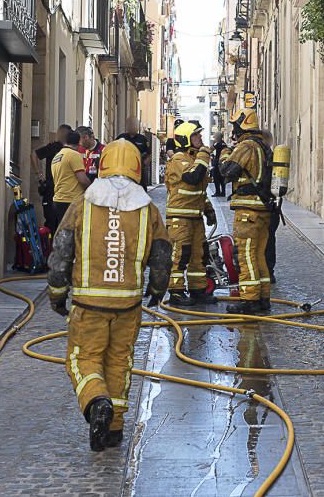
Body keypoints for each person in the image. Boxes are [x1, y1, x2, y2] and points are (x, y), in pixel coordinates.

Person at [47, 140, 172, 452]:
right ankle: (113, 428)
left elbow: (61, 254)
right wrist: (156, 292)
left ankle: (96, 402)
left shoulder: (82, 204)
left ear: (101, 165)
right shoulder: (148, 209)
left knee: (83, 358)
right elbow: (161, 257)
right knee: (119, 361)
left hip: (89, 304)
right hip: (128, 303)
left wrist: (57, 295)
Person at [219, 108, 275, 315]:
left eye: (235, 126)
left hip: (247, 211)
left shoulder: (247, 146)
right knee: (259, 255)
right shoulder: (263, 146)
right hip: (262, 210)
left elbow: (227, 171)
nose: (233, 131)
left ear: (241, 125)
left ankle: (250, 299)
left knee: (246, 255)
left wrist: (224, 153)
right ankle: (263, 297)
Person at [163, 121, 218, 306]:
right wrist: (204, 154)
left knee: (199, 255)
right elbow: (193, 178)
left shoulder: (193, 159)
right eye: (196, 136)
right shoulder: (179, 160)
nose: (200, 139)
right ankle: (176, 292)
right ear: (186, 139)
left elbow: (199, 191)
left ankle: (198, 290)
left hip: (195, 218)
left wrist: (209, 209)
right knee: (180, 256)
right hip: (180, 218)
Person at [33, 124, 72, 232]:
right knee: (55, 221)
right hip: (55, 188)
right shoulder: (56, 147)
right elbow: (35, 155)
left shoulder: (55, 147)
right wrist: (39, 174)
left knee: (52, 221)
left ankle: (51, 245)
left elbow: (34, 155)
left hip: (55, 188)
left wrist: (39, 174)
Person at [50, 130, 91, 230]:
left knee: (64, 233)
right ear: (79, 143)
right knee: (75, 234)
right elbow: (82, 180)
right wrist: (92, 188)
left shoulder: (57, 156)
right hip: (71, 201)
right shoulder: (74, 155)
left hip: (58, 200)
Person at [260, 129, 282, 284]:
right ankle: (269, 270)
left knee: (263, 240)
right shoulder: (275, 157)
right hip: (275, 205)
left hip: (264, 205)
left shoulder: (261, 157)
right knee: (270, 239)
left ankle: (264, 270)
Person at [116, 116, 151, 189]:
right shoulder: (121, 137)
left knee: (141, 190)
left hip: (138, 169)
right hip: (123, 170)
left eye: (134, 124)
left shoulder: (143, 139)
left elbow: (148, 154)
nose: (132, 126)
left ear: (137, 126)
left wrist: (144, 165)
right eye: (130, 124)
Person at [211, 132, 230, 197]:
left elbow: (211, 149)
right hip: (222, 163)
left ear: (218, 137)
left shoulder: (218, 144)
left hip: (218, 163)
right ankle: (223, 192)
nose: (214, 138)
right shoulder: (224, 144)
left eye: (215, 137)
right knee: (222, 178)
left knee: (216, 178)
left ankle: (218, 192)